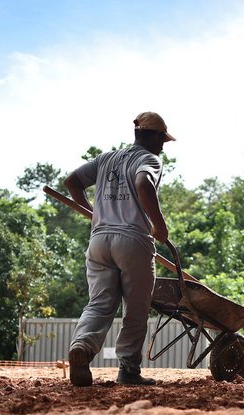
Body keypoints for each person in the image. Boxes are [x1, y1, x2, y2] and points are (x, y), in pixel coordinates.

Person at [65, 111, 174, 387]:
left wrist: (93, 212)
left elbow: (72, 182)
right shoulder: (149, 159)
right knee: (135, 309)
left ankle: (82, 348)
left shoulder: (106, 159)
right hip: (133, 242)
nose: (163, 146)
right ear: (156, 137)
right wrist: (159, 225)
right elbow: (143, 183)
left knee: (99, 304)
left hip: (99, 241)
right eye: (163, 140)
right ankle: (128, 370)